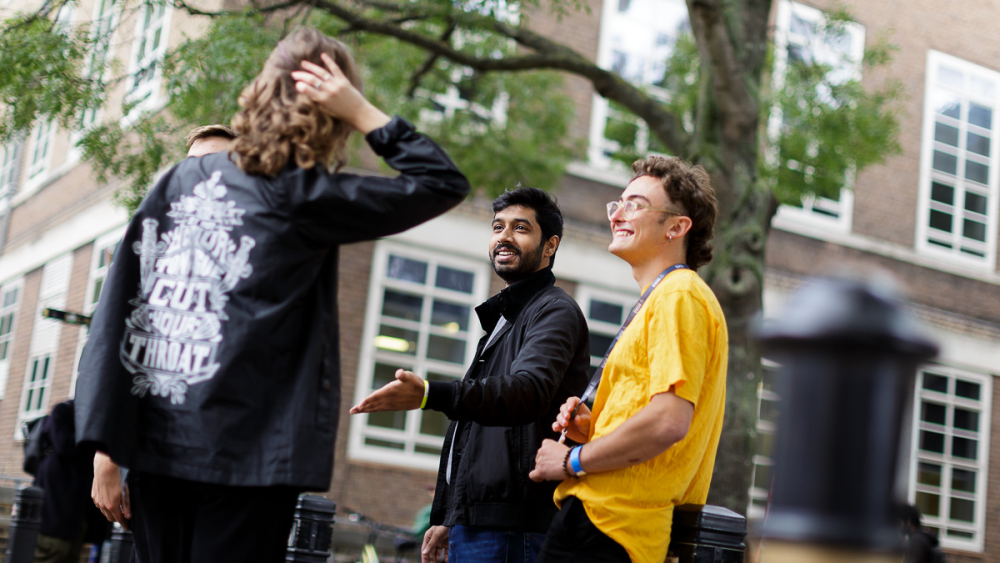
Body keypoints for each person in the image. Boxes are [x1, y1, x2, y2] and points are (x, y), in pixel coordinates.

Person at [75, 27, 470, 563]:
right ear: (330, 112)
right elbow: (441, 181)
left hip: (158, 449)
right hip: (249, 456)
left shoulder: (178, 182)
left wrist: (108, 446)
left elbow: (117, 314)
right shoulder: (305, 193)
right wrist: (362, 110)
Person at [350, 187, 590, 563]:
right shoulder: (505, 319)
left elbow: (526, 393)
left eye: (521, 228)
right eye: (498, 227)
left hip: (516, 528)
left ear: (550, 245)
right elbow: (473, 434)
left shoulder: (555, 310)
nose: (504, 237)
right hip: (478, 523)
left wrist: (432, 394)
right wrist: (448, 514)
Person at [529, 156, 728, 563]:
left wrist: (572, 459)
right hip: (612, 524)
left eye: (635, 204)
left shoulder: (678, 295)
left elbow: (668, 421)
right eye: (616, 203)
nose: (617, 213)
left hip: (609, 524)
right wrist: (596, 426)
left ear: (677, 226)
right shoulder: (667, 297)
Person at [32, 400, 109, 563]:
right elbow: (64, 443)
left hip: (74, 527)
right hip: (53, 527)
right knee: (52, 551)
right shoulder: (64, 411)